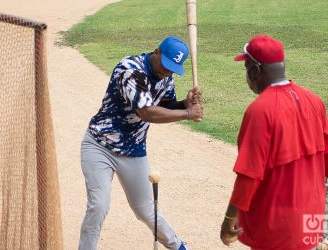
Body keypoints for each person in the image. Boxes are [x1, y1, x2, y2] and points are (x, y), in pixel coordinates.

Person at [79, 35, 203, 250]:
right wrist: (188, 113)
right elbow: (147, 112)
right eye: (165, 65)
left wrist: (185, 103)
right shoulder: (130, 69)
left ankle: (180, 247)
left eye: (173, 68)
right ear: (156, 52)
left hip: (133, 150)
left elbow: (166, 105)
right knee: (98, 206)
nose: (167, 71)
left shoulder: (166, 77)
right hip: (99, 145)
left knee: (146, 210)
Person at [220, 34, 328, 250]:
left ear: (254, 71)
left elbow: (249, 174)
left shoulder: (260, 110)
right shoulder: (313, 100)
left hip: (277, 222)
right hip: (313, 216)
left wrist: (229, 217)